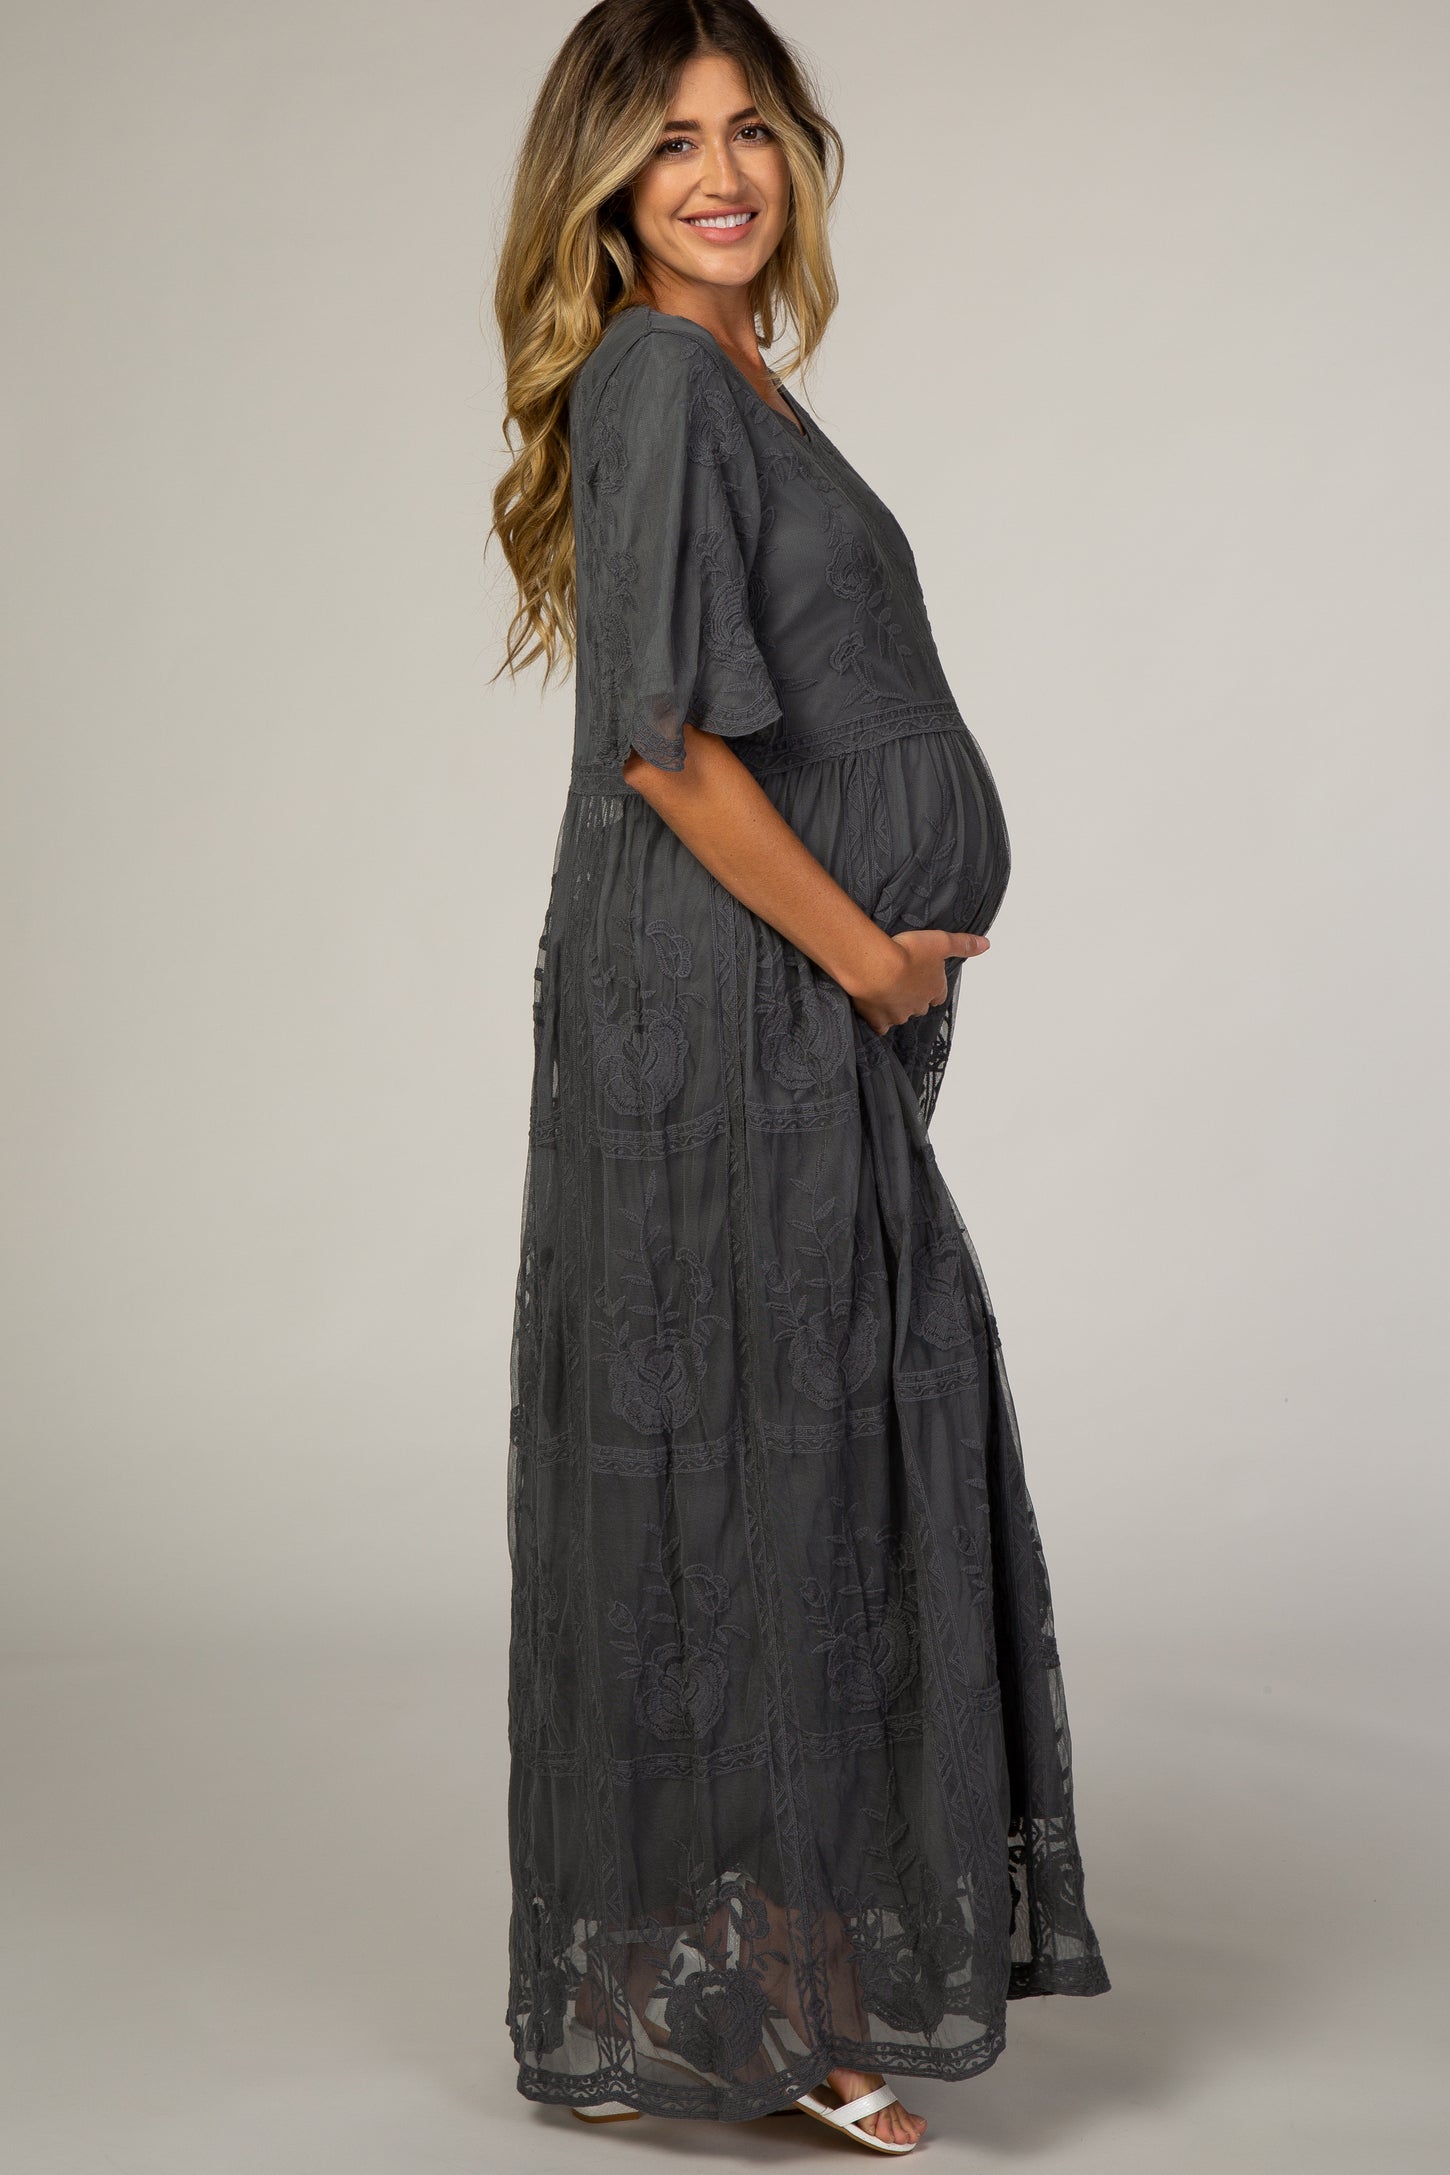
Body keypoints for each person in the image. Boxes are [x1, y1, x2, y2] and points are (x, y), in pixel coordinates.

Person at [487, 1, 1110, 2149]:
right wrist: (865, 955)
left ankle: (746, 1976)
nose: (720, 173)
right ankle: (765, 2018)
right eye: (669, 142)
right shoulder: (662, 372)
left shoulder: (738, 374)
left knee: (798, 1447)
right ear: (604, 181)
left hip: (776, 1002)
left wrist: (877, 972)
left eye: (749, 129)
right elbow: (661, 743)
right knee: (770, 1464)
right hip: (732, 996)